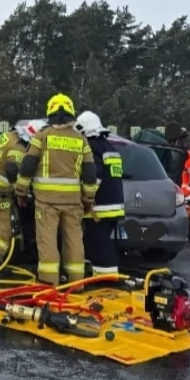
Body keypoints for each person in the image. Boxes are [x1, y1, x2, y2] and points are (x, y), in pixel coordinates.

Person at [14, 94, 99, 284]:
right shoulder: (81, 139)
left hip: (46, 202)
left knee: (47, 241)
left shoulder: (43, 135)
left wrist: (20, 191)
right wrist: (88, 199)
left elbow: (28, 165)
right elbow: (90, 173)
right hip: (73, 202)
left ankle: (48, 282)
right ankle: (76, 282)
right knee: (74, 241)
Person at [0, 120, 44, 264]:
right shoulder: (19, 146)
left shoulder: (10, 135)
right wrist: (21, 191)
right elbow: (12, 169)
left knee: (14, 217)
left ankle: (14, 252)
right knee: (6, 221)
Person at [75, 111, 124, 276]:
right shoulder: (110, 148)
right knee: (105, 244)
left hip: (99, 207)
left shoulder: (92, 147)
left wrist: (85, 197)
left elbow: (94, 177)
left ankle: (104, 279)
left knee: (98, 245)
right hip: (113, 206)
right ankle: (106, 275)